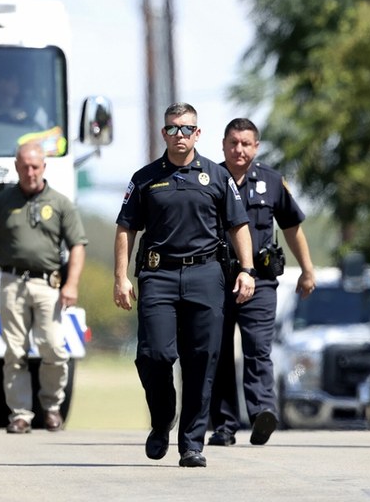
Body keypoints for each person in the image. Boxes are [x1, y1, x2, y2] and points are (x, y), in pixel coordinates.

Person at [113, 102, 256, 468]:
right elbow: (126, 228)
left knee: (201, 360)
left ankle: (192, 444)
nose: (180, 135)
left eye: (186, 128)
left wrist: (247, 270)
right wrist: (121, 277)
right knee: (153, 355)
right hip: (158, 276)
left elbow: (238, 225)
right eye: (173, 128)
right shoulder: (145, 178)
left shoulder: (216, 177)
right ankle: (162, 420)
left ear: (198, 133)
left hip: (206, 276)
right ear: (164, 133)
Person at [207, 118, 316, 447]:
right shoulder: (209, 178)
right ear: (223, 145)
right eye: (233, 143)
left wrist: (307, 269)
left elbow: (292, 226)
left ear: (256, 147)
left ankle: (261, 413)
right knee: (219, 353)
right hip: (217, 279)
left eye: (246, 143)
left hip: (261, 282)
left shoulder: (270, 181)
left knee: (258, 349)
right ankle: (224, 425)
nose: (239, 149)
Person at [0, 140, 87, 434]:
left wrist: (71, 285)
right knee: (15, 351)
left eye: (35, 166)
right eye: (24, 167)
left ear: (43, 167)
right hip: (11, 284)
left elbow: (77, 246)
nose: (30, 172)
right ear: (17, 167)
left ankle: (51, 407)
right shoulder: (2, 202)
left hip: (49, 285)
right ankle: (20, 414)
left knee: (54, 349)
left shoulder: (60, 203)